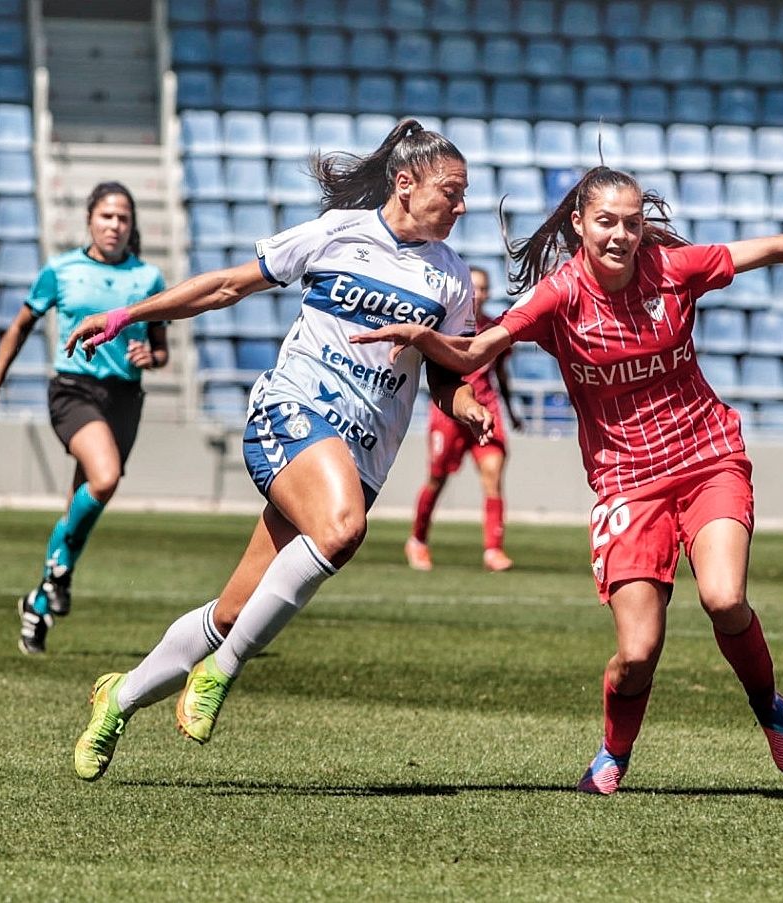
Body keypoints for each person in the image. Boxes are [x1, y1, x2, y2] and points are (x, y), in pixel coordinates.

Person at [352, 166, 783, 793]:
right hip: (626, 481)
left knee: (724, 597)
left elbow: (769, 247)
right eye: (606, 221)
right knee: (637, 655)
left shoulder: (672, 269)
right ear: (580, 224)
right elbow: (473, 354)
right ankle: (614, 751)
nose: (621, 235)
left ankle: (769, 706)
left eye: (632, 223)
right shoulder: (557, 297)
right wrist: (425, 337)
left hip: (708, 456)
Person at [66, 119, 489, 781]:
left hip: (359, 455)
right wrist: (131, 314)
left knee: (234, 609)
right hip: (291, 413)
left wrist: (464, 403)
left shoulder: (452, 279)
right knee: (343, 528)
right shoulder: (337, 233)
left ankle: (115, 698)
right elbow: (228, 285)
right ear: (405, 185)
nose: (461, 207)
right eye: (451, 192)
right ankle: (221, 670)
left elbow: (448, 372)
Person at [0, 181, 168, 655]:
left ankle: (39, 602)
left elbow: (160, 349)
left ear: (132, 225)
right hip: (73, 391)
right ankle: (57, 578)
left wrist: (151, 357)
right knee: (105, 477)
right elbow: (20, 327)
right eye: (106, 216)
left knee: (85, 502)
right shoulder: (60, 270)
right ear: (89, 220)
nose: (115, 226)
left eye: (123, 218)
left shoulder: (148, 278)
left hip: (124, 397)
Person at [405, 264, 523, 573]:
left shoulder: (495, 330)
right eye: (475, 288)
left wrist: (512, 413)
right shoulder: (445, 326)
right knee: (437, 477)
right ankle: (417, 540)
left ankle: (493, 550)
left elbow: (501, 373)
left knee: (493, 476)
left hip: (486, 409)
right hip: (451, 412)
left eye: (484, 288)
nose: (479, 294)